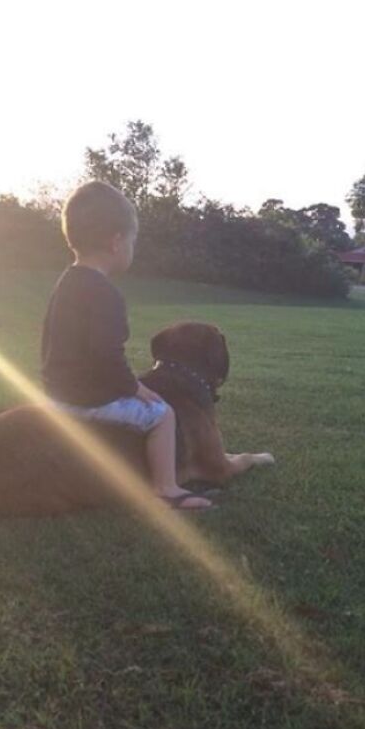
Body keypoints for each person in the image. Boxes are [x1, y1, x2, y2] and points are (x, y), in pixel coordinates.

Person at [41, 181, 212, 510]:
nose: (133, 247)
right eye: (133, 240)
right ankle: (166, 489)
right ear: (116, 242)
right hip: (86, 400)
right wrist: (135, 388)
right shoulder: (105, 293)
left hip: (55, 394)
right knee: (162, 414)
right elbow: (107, 356)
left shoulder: (66, 283)